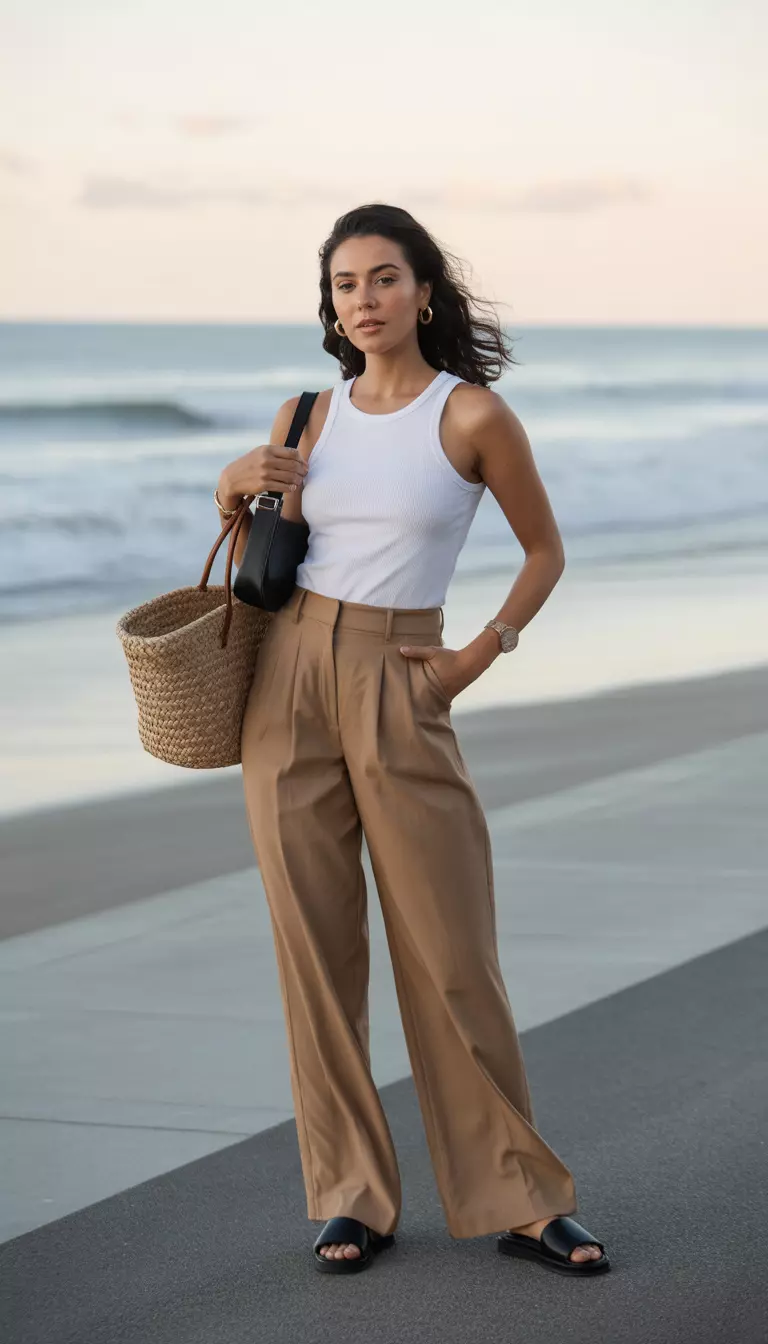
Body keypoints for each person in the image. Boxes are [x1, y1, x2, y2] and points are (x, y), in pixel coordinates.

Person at [215, 203, 610, 1277]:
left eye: (384, 278)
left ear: (425, 291)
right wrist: (232, 482)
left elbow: (543, 551)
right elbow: (259, 540)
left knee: (451, 950)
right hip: (287, 679)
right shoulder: (306, 413)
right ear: (331, 305)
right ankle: (352, 1196)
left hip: (403, 673)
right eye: (345, 284)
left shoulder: (470, 414)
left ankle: (522, 1197)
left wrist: (476, 656)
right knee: (315, 949)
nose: (366, 300)